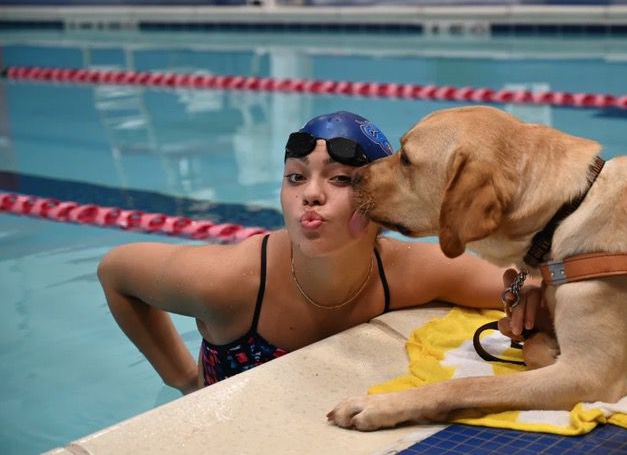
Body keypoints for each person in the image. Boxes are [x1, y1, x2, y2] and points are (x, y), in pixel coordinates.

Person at [98, 111, 543, 395]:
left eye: (341, 180)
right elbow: (115, 272)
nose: (310, 194)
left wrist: (526, 292)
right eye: (295, 177)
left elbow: (519, 279)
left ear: (381, 202)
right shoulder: (230, 281)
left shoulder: (404, 270)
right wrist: (182, 382)